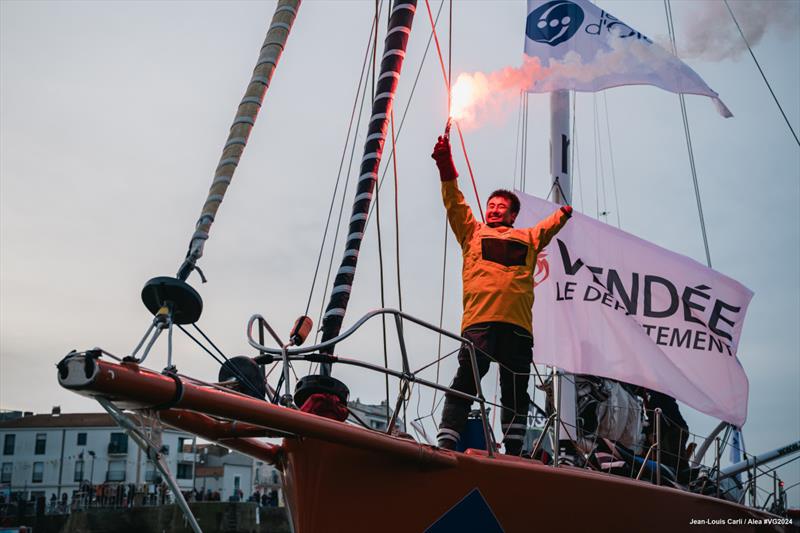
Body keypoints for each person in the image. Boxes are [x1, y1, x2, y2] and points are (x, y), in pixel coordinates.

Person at [431, 134, 572, 455]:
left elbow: (547, 228)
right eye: (491, 206)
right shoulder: (472, 232)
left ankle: (513, 447)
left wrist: (563, 214)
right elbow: (454, 201)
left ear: (512, 215)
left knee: (515, 388)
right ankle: (448, 437)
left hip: (518, 327)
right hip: (480, 322)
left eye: (501, 207)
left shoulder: (529, 238)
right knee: (467, 378)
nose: (494, 210)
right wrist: (445, 164)